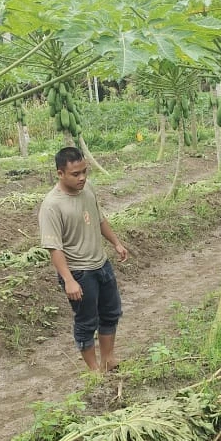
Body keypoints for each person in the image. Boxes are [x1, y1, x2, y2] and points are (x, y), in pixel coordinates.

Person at [39, 147, 129, 373]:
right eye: (75, 174)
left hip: (101, 264)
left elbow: (99, 219)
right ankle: (93, 370)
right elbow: (54, 248)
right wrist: (68, 280)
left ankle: (109, 359)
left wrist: (116, 243)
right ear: (60, 173)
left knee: (110, 312)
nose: (82, 178)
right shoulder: (52, 205)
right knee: (87, 321)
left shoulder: (88, 189)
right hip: (79, 272)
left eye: (84, 172)